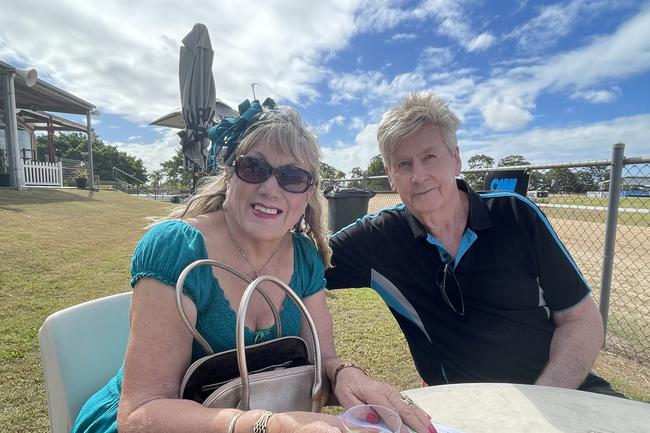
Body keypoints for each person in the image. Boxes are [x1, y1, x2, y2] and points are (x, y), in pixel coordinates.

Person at [71, 100, 435, 433]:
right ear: (229, 173)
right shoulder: (176, 249)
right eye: (254, 168)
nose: (270, 189)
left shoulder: (305, 258)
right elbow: (140, 414)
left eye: (293, 178)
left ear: (308, 194)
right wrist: (270, 426)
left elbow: (321, 366)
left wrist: (348, 375)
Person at [325, 91, 623, 397]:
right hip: (467, 412)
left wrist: (547, 399)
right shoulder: (377, 238)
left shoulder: (516, 214)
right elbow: (301, 265)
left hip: (561, 393)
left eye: (430, 157)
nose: (419, 175)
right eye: (404, 164)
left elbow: (581, 319)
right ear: (390, 175)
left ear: (455, 159)